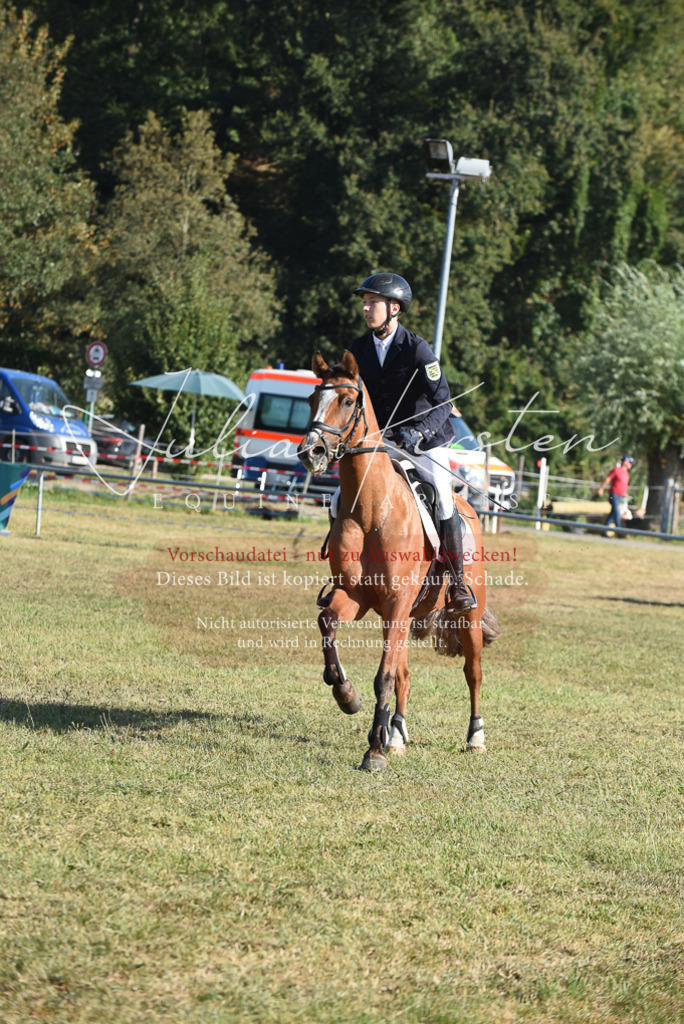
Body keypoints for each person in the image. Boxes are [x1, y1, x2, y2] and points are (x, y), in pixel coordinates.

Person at [349, 272, 477, 613]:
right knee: (341, 497)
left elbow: (443, 401)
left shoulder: (417, 348)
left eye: (372, 302)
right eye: (364, 302)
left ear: (394, 308)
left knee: (442, 494)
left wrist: (418, 433)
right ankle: (344, 573)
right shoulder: (358, 349)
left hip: (425, 438)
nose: (366, 308)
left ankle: (459, 582)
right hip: (383, 442)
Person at [598, 455, 634, 535]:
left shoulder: (626, 473)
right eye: (630, 463)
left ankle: (604, 531)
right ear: (625, 462)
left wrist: (625, 494)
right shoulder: (616, 470)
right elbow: (608, 479)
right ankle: (619, 531)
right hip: (613, 495)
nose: (631, 465)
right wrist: (601, 489)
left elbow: (622, 485)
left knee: (613, 514)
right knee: (617, 512)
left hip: (620, 496)